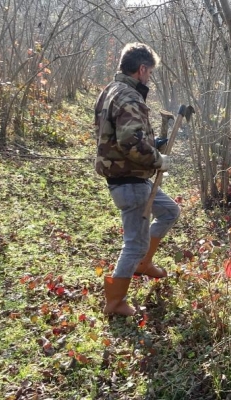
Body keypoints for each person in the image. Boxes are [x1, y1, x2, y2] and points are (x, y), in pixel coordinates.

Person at [94, 42, 180, 317]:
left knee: (169, 211)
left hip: (131, 177)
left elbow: (121, 135)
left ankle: (144, 264)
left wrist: (153, 143)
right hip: (129, 181)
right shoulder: (129, 97)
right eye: (150, 73)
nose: (150, 78)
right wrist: (157, 159)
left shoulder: (111, 91)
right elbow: (130, 142)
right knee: (134, 243)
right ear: (141, 69)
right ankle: (115, 303)